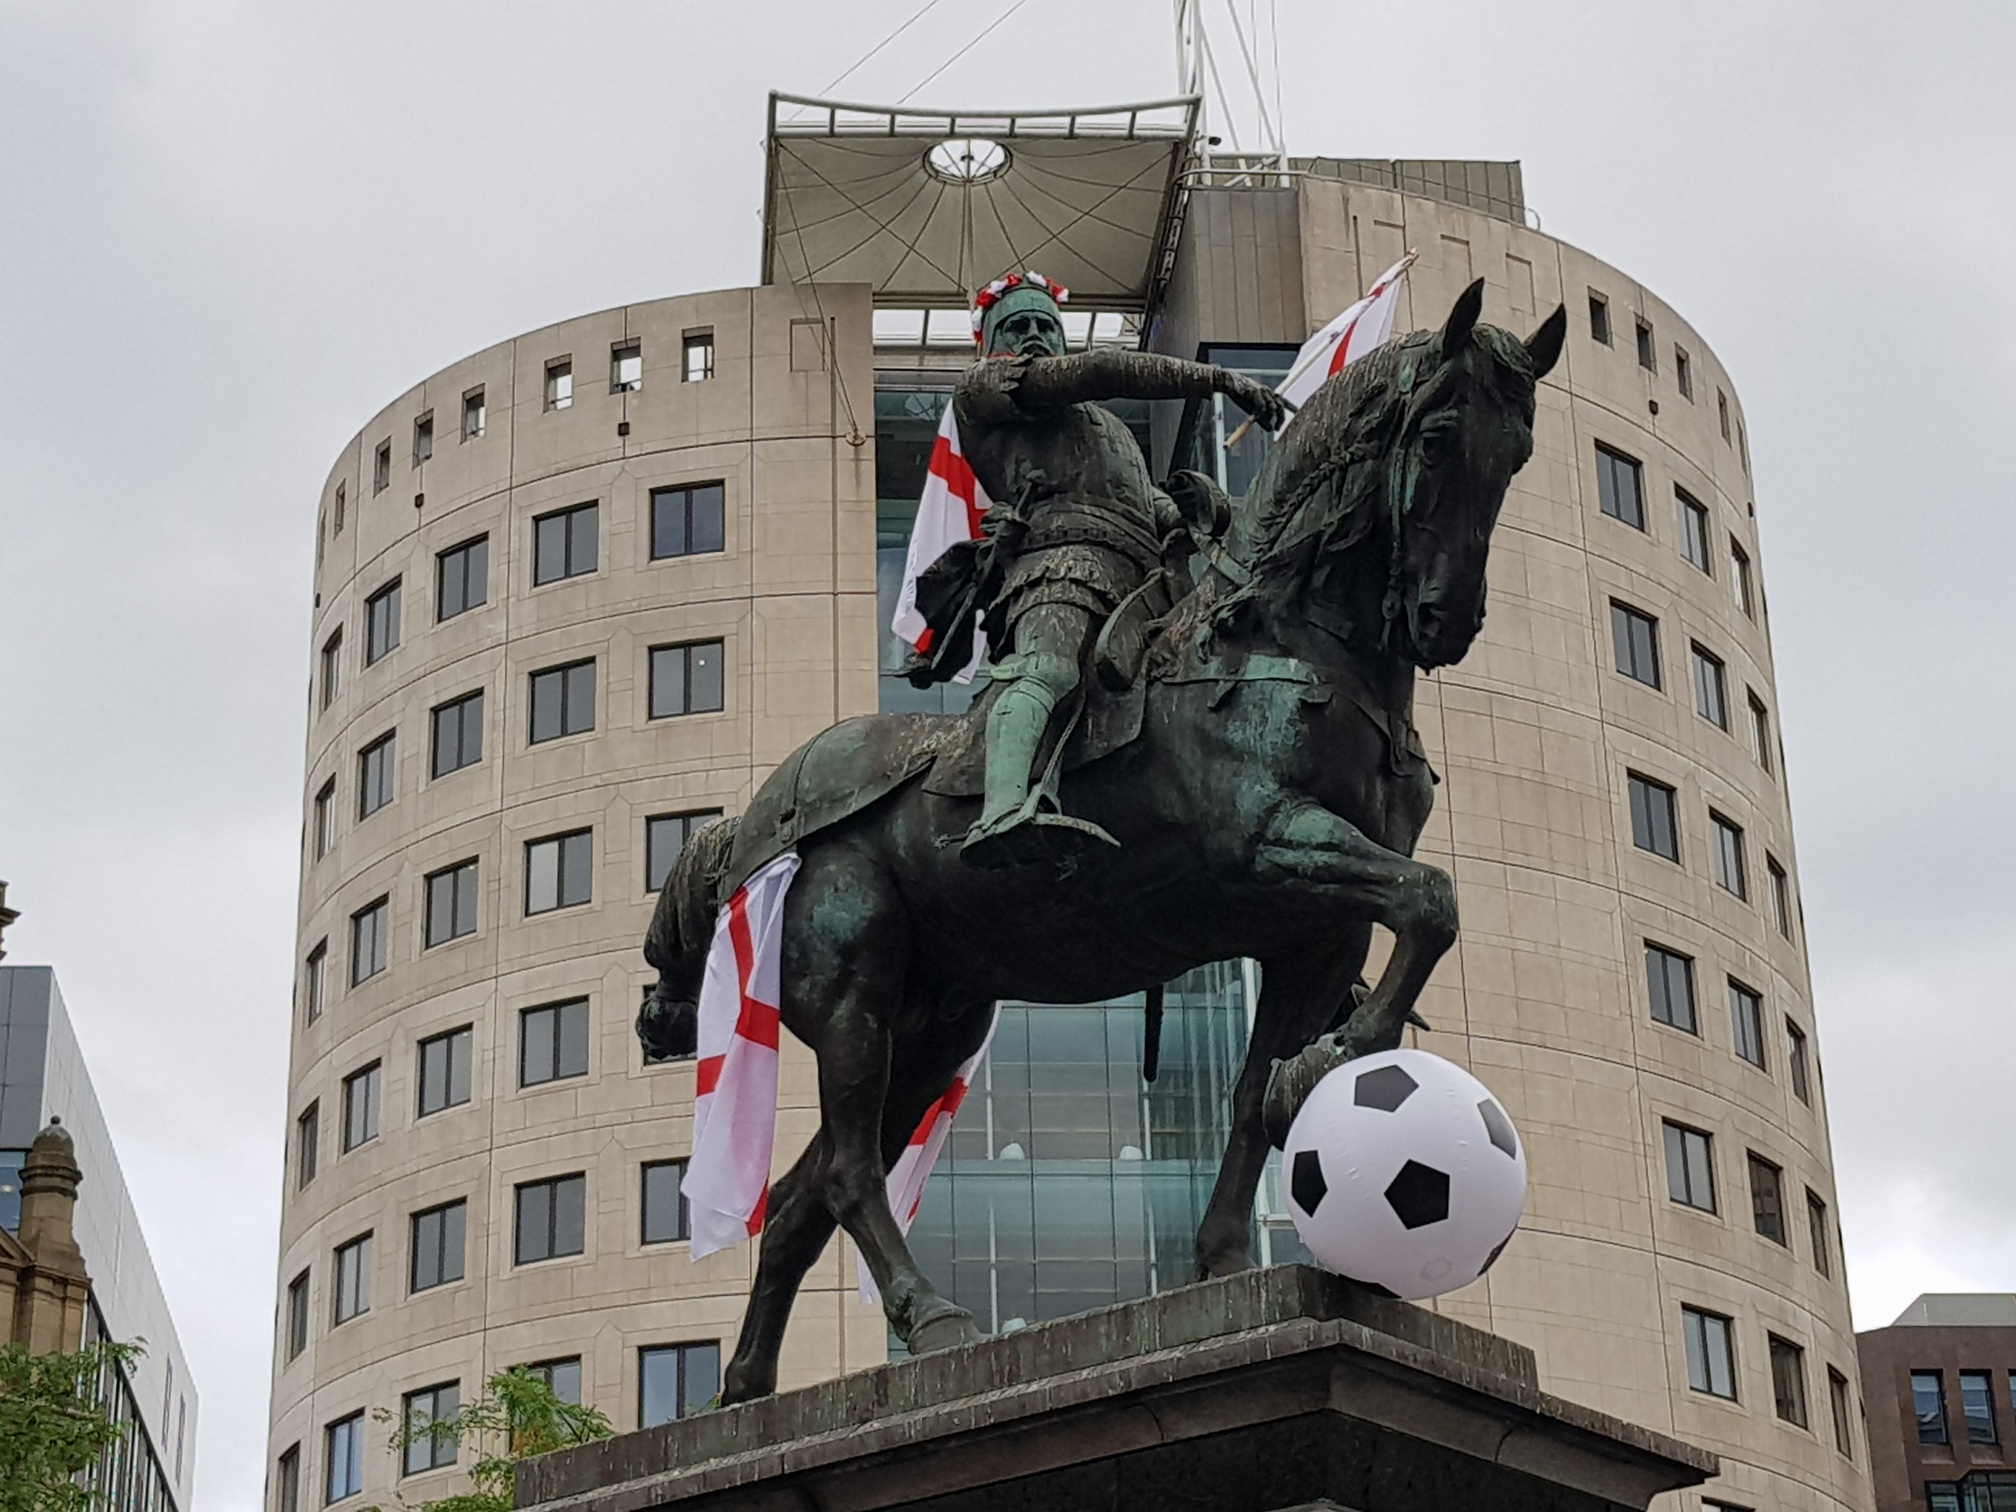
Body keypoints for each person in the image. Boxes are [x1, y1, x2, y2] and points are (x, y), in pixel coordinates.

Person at [936, 272, 1286, 867]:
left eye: (1046, 325)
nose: (1035, 336)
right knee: (1050, 670)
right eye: (1017, 326)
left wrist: (1204, 511)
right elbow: (1097, 371)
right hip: (1057, 568)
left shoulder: (1111, 428)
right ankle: (999, 814)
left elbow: (1147, 503)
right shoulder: (984, 390)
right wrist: (1217, 381)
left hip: (1146, 586)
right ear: (990, 341)